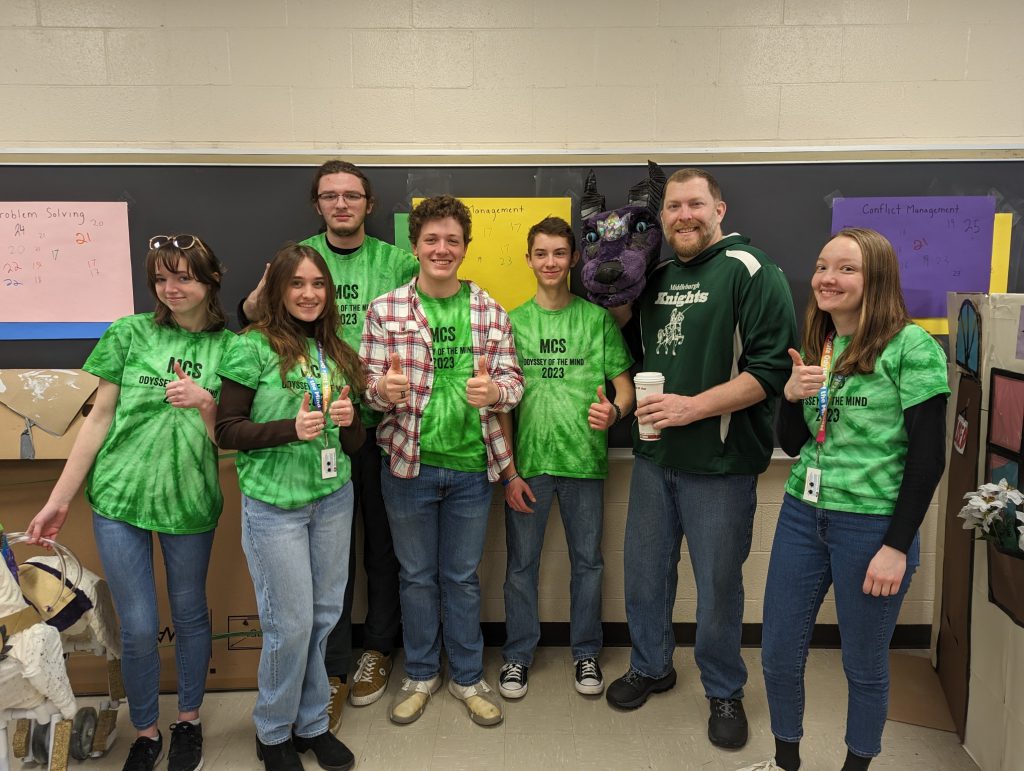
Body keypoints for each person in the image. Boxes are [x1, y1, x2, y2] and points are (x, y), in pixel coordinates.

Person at [741, 228, 949, 771]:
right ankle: (786, 762)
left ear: (875, 278)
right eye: (821, 266)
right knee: (780, 652)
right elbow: (795, 442)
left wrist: (897, 547)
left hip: (873, 526)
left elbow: (929, 459)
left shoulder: (913, 347)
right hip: (802, 516)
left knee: (863, 663)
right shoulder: (821, 345)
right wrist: (789, 397)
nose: (827, 278)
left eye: (846, 269)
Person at [604, 168, 797, 751]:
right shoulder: (656, 276)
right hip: (655, 456)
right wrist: (613, 300)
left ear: (720, 210)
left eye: (695, 204)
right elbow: (633, 354)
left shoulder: (753, 271)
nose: (683, 215)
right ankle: (652, 665)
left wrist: (692, 409)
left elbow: (770, 372)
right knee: (644, 572)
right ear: (660, 218)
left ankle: (724, 688)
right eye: (672, 207)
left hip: (721, 463)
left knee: (717, 586)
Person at [26, 235, 233, 771]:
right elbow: (97, 420)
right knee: (138, 625)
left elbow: (228, 439)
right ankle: (145, 731)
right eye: (161, 279)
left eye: (184, 277)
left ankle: (187, 721)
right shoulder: (129, 332)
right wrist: (59, 500)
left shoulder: (231, 348)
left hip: (190, 501)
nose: (171, 288)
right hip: (119, 498)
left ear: (210, 281)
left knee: (189, 614)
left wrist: (206, 403)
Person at [240, 161, 415, 731]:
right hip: (303, 441)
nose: (342, 205)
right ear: (317, 205)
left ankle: (377, 652)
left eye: (352, 196)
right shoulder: (297, 258)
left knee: (381, 549)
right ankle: (331, 671)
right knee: (321, 576)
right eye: (330, 196)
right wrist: (253, 314)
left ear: (369, 203)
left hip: (375, 426)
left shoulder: (398, 260)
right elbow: (256, 318)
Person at [361, 195, 524, 727]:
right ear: (415, 246)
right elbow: (365, 390)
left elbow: (514, 386)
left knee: (461, 578)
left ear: (465, 248)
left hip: (473, 469)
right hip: (407, 466)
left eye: (452, 240)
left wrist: (494, 395)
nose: (442, 249)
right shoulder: (386, 310)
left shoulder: (489, 309)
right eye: (431, 239)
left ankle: (468, 678)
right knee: (416, 578)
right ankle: (422, 674)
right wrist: (382, 390)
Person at [216, 244, 364, 771]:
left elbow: (354, 446)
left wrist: (350, 421)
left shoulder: (338, 350)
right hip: (275, 508)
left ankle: (312, 723)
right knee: (291, 624)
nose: (308, 294)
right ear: (278, 290)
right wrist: (289, 429)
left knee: (324, 618)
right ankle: (273, 731)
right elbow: (226, 430)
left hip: (332, 498)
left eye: (318, 284)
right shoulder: (250, 347)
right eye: (297, 284)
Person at [496, 216, 634, 700]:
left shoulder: (595, 319)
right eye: (542, 253)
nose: (550, 262)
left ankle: (586, 653)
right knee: (520, 567)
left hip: (584, 463)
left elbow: (626, 388)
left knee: (588, 563)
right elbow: (502, 405)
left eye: (560, 253)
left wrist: (614, 411)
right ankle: (517, 656)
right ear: (529, 258)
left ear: (574, 258)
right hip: (528, 467)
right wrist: (508, 469)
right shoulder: (511, 323)